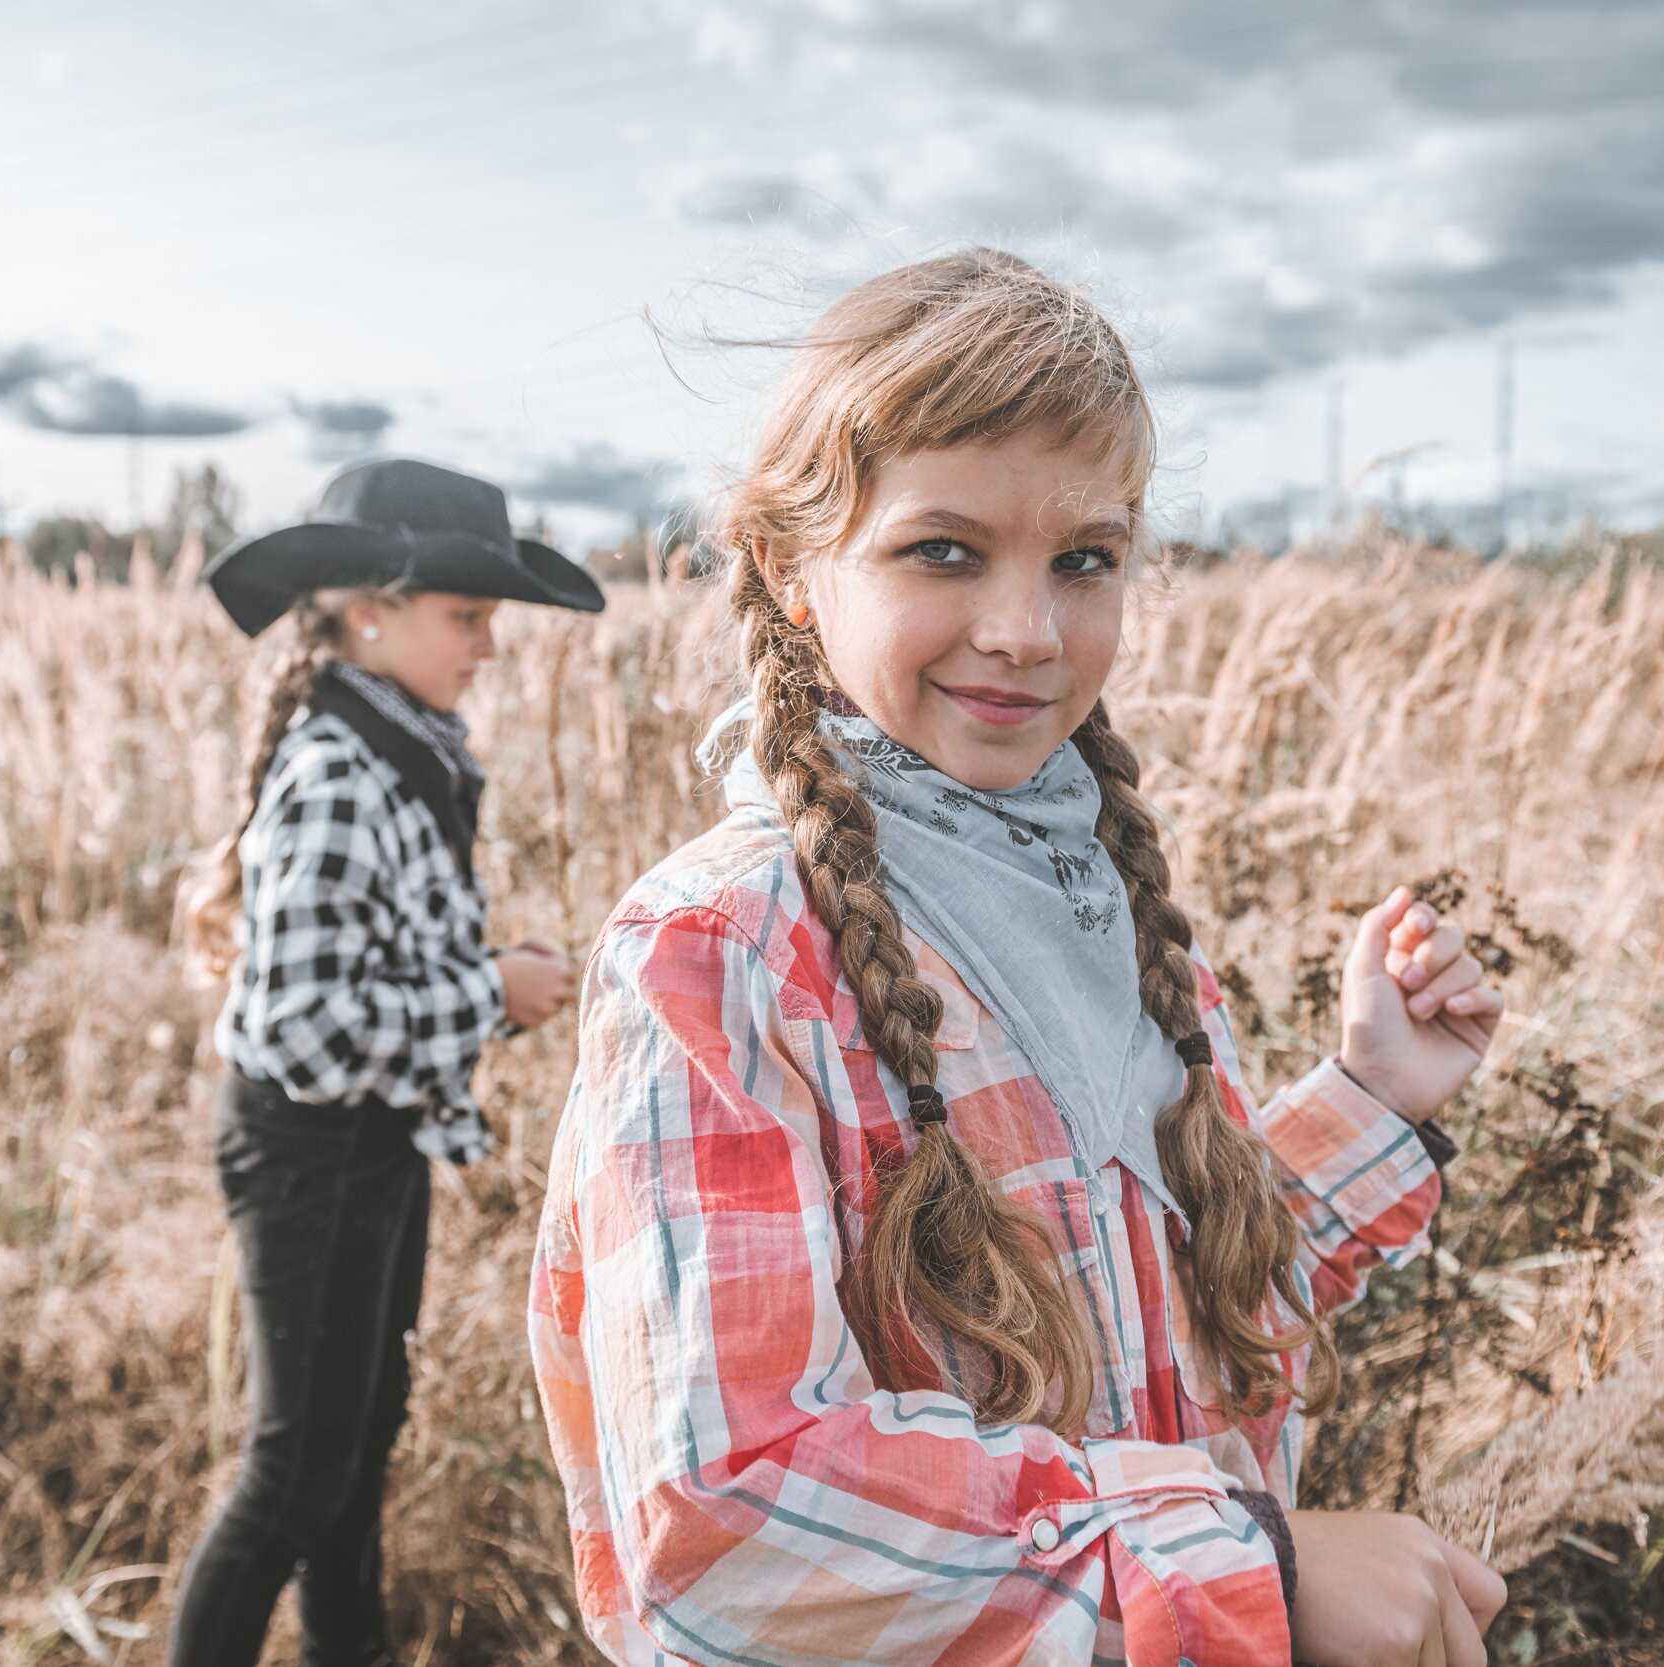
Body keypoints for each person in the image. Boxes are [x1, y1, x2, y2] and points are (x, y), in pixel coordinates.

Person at [529, 252, 1511, 1667]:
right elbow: (728, 1515)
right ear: (792, 571)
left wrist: (1372, 1094)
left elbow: (1166, 1306)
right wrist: (1255, 1569)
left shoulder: (1099, 896)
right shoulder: (726, 954)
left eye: (1084, 560)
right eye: (944, 550)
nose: (1027, 631)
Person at [174, 457, 603, 1667]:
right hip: (310, 1148)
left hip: (371, 1140)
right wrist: (490, 992)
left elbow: (361, 974)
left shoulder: (396, 752)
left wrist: (484, 978)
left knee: (355, 1446)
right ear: (371, 609)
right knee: (290, 1472)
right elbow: (300, 1026)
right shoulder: (338, 772)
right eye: (468, 616)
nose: (490, 645)